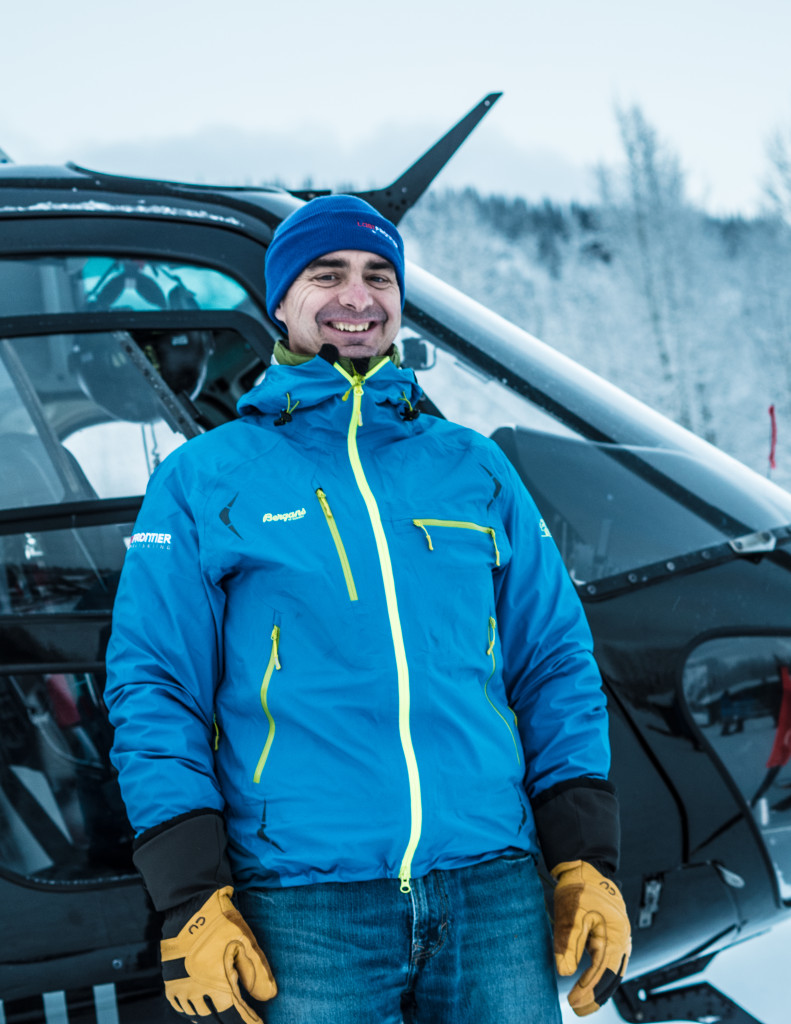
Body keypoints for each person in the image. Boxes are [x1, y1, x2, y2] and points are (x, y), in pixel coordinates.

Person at [105, 194, 631, 1024]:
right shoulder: (206, 478)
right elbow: (154, 688)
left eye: (378, 276)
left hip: (492, 887)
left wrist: (583, 858)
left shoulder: (472, 466)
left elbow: (553, 664)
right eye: (327, 275)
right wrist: (191, 892)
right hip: (307, 907)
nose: (357, 296)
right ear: (280, 301)